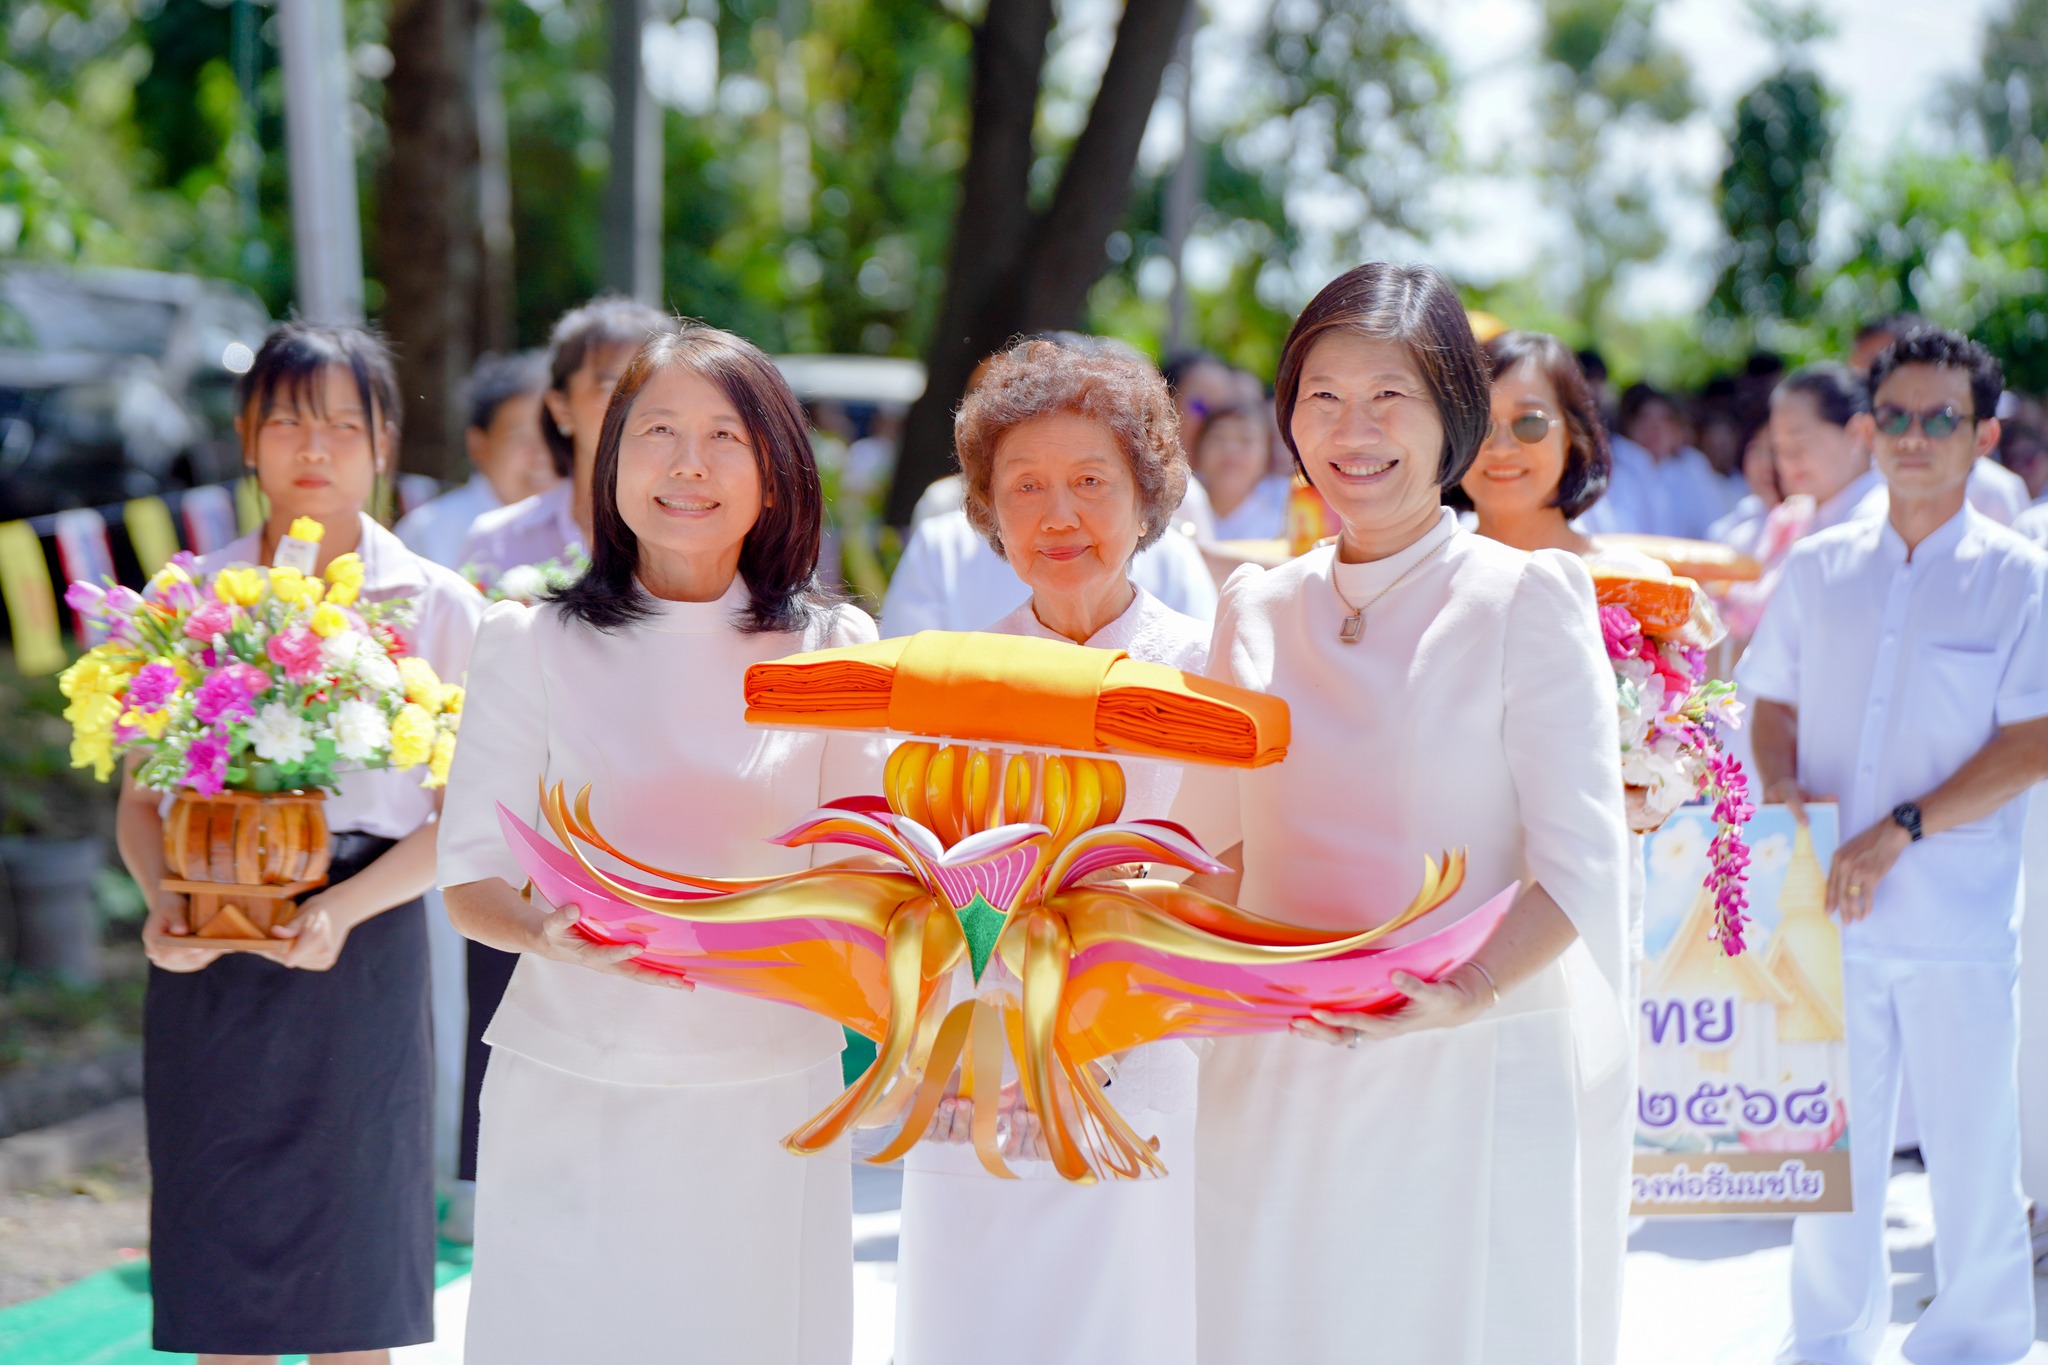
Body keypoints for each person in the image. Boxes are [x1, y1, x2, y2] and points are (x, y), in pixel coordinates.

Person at [1173, 264, 1629, 1364]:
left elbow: (1577, 864)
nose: (1353, 429)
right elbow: (1204, 856)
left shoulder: (1523, 596)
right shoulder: (1254, 605)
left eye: (1391, 397)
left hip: (1462, 1060)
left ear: (1450, 419)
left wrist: (1460, 990)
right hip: (1275, 1066)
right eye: (1321, 396)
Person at [439, 324, 878, 1364]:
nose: (688, 464)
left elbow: (868, 877)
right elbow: (469, 883)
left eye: (724, 434)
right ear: (608, 461)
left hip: (769, 1089)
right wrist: (548, 934)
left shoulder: (833, 653)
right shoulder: (529, 642)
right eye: (657, 432)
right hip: (575, 1083)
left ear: (774, 471)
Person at [118, 322, 484, 1363]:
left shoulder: (439, 605)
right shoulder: (184, 605)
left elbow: (458, 813)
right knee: (219, 1248)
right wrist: (161, 905)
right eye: (286, 420)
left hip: (362, 944)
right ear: (246, 438)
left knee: (356, 1260)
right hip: (209, 932)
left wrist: (341, 911)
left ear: (383, 441)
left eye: (340, 422)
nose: (312, 447)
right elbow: (143, 802)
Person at [893, 337, 1207, 1365]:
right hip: (981, 1054)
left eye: (1089, 482)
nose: (1057, 515)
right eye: (1022, 485)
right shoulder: (956, 683)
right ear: (985, 509)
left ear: (1146, 496)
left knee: (1128, 1307)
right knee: (976, 1310)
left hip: (1149, 1052)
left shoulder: (1207, 673)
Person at [1740, 327, 2048, 1365]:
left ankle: (1971, 1342)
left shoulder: (2018, 579)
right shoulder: (1819, 567)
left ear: (1982, 437)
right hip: (1821, 910)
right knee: (1830, 1156)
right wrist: (1779, 787)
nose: (1914, 439)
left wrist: (1898, 830)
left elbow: (2031, 741)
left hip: (1952, 912)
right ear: (1868, 430)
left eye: (1940, 420)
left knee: (1967, 1151)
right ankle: (1826, 1339)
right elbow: (1767, 696)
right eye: (1897, 418)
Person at [1458, 327, 1662, 1365]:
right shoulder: (1419, 577)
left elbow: (1683, 759)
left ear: (1574, 434)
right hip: (1446, 908)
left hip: (1576, 918)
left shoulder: (1634, 589)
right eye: (1481, 425)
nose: (1503, 449)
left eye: (1529, 422)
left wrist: (1643, 789)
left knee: (1565, 1158)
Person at [459, 297, 674, 578]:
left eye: (655, 385)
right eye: (613, 385)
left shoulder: (703, 534)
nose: (640, 405)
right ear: (561, 408)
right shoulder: (497, 543)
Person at [394, 351, 555, 569]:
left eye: (555, 437)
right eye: (520, 438)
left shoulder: (586, 526)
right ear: (478, 445)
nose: (542, 455)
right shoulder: (430, 531)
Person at [1193, 402, 1291, 541]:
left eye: (1246, 440)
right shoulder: (1179, 499)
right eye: (1218, 437)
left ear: (1268, 451)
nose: (1230, 449)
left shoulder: (1288, 499)